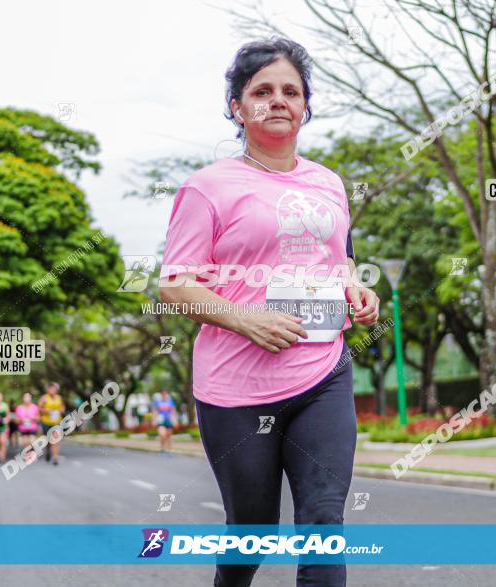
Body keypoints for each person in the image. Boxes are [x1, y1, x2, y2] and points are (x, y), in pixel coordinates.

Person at [159, 38, 379, 587]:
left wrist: (358, 289)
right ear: (238, 107)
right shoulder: (207, 188)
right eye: (262, 91)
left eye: (291, 91)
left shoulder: (328, 183)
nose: (278, 100)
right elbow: (175, 285)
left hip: (321, 373)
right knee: (252, 532)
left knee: (324, 523)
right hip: (236, 390)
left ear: (305, 105)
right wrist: (245, 318)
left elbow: (341, 259)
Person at [38, 382, 64, 465]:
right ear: (48, 389)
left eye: (54, 389)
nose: (52, 390)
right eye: (51, 388)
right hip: (46, 422)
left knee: (56, 439)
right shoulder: (44, 398)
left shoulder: (59, 398)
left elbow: (62, 407)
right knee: (48, 440)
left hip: (56, 422)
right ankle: (48, 451)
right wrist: (47, 411)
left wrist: (61, 410)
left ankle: (55, 458)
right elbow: (39, 408)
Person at [14, 392, 40, 462]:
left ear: (31, 398)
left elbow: (38, 417)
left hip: (32, 427)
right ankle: (28, 455)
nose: (27, 399)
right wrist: (21, 420)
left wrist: (33, 418)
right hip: (23, 428)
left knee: (32, 441)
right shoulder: (19, 408)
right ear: (23, 399)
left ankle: (33, 455)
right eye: (25, 397)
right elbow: (16, 419)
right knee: (25, 442)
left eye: (28, 397)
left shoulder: (34, 407)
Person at [152, 390, 177, 454]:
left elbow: (173, 411)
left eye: (165, 393)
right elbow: (155, 411)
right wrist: (154, 420)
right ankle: (163, 448)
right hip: (161, 420)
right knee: (162, 434)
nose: (164, 395)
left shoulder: (170, 401)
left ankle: (169, 449)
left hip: (169, 420)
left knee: (168, 435)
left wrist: (175, 420)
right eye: (163, 393)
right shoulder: (157, 401)